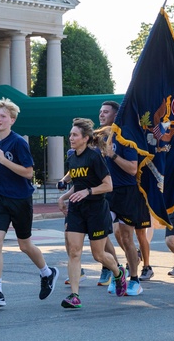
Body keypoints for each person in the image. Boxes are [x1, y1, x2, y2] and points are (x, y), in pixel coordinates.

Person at [0, 98, 59, 307]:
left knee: (24, 245)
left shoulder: (18, 142)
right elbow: (3, 164)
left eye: (3, 116)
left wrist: (3, 161)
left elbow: (28, 172)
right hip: (2, 197)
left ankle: (47, 272)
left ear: (12, 120)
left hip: (21, 200)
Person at [58, 118, 126, 308]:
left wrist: (88, 192)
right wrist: (64, 196)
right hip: (77, 210)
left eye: (74, 135)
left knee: (99, 255)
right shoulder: (72, 157)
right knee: (74, 251)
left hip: (96, 210)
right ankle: (74, 295)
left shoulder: (95, 157)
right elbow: (78, 185)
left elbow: (108, 185)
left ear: (85, 138)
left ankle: (118, 272)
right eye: (70, 134)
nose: (70, 137)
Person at [98, 101, 147, 296]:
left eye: (106, 112)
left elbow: (133, 168)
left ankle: (134, 279)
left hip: (127, 192)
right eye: (100, 112)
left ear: (115, 116)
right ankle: (117, 271)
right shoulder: (101, 137)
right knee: (102, 234)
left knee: (126, 238)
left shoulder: (125, 137)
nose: (101, 115)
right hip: (108, 192)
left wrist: (113, 155)